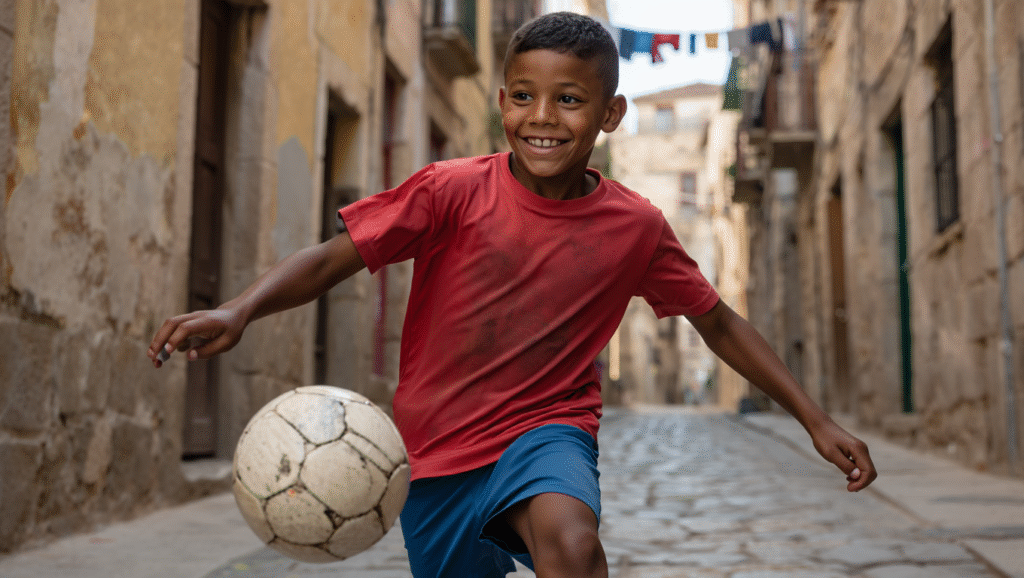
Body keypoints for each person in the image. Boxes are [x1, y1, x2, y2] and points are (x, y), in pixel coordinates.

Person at [149, 12, 876, 578]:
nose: (543, 118)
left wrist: (813, 419)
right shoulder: (449, 190)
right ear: (502, 102)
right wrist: (238, 308)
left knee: (573, 543)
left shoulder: (635, 228)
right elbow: (335, 259)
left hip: (547, 430)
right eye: (524, 97)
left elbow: (717, 324)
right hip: (435, 453)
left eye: (569, 100)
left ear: (609, 114)